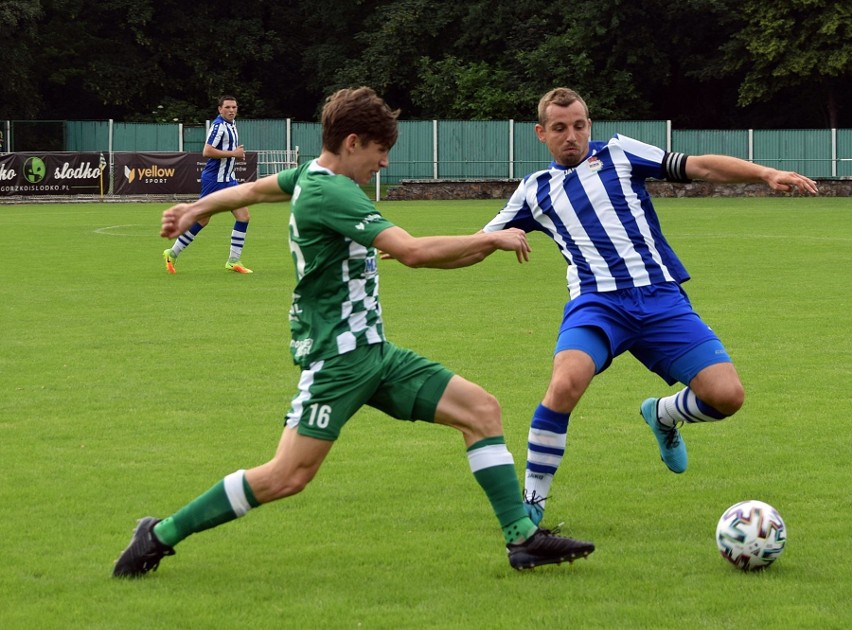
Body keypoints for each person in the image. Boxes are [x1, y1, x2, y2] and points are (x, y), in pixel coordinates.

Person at [113, 87, 595, 578]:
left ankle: (522, 537)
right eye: (379, 151)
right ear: (351, 142)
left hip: (375, 354)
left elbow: (251, 191)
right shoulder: (332, 191)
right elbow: (410, 251)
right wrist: (488, 237)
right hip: (338, 360)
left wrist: (196, 210)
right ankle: (160, 533)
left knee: (481, 410)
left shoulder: (308, 174)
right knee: (287, 476)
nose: (383, 164)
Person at [482, 87, 819, 526]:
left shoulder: (621, 154)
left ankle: (662, 414)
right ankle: (531, 505)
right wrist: (412, 247)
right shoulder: (533, 190)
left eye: (580, 125)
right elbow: (479, 242)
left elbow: (696, 165)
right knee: (565, 384)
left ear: (589, 124)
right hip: (597, 304)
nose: (572, 136)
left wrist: (764, 172)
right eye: (560, 128)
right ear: (541, 133)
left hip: (661, 299)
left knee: (727, 397)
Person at [163, 95, 253, 274]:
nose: (231, 110)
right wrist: (233, 154)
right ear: (220, 109)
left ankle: (233, 261)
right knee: (202, 219)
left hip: (228, 179)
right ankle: (172, 252)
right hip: (214, 181)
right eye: (227, 107)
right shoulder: (219, 126)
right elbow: (207, 151)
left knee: (243, 216)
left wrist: (234, 154)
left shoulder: (232, 125)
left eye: (234, 107)